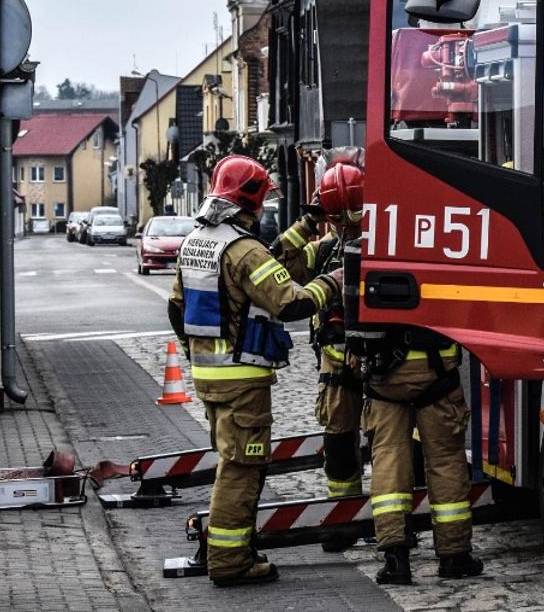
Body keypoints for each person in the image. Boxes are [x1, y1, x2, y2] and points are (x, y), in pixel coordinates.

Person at [167, 155, 341, 587]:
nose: (263, 208)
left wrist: (307, 224)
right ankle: (229, 562)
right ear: (250, 202)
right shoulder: (244, 250)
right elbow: (289, 302)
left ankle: (239, 550)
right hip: (242, 379)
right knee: (242, 470)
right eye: (262, 200)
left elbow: (176, 308)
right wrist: (333, 281)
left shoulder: (197, 240)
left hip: (210, 377)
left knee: (233, 464)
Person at [273, 159, 370, 551]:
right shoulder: (323, 250)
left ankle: (394, 522)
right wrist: (307, 223)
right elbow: (278, 263)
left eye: (354, 215)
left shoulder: (385, 244)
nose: (348, 226)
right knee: (340, 444)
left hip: (380, 361)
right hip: (336, 363)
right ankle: (344, 521)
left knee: (391, 445)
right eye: (339, 217)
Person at [360, 328, 483, 583]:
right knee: (445, 460)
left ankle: (396, 559)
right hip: (436, 371)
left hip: (383, 374)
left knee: (389, 457)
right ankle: (454, 556)